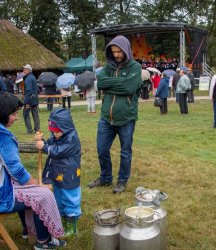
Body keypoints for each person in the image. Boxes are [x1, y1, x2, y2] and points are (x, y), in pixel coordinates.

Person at [0, 92, 66, 249]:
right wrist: (37, 185)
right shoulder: (2, 136)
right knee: (42, 194)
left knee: (26, 190)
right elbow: (16, 170)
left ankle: (27, 230)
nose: (16, 118)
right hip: (2, 196)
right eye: (14, 114)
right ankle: (43, 242)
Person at [88, 35, 143, 193]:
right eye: (114, 51)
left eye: (119, 51)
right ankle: (105, 178)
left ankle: (122, 181)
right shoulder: (107, 67)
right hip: (106, 118)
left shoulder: (135, 67)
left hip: (126, 118)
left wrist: (110, 85)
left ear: (126, 50)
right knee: (102, 149)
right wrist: (117, 84)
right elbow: (101, 84)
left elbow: (129, 88)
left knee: (125, 152)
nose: (117, 54)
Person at [35, 108, 81, 236]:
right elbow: (49, 145)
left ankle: (71, 227)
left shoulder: (72, 138)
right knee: (59, 200)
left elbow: (59, 151)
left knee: (70, 199)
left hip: (69, 177)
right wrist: (42, 140)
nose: (54, 134)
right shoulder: (57, 136)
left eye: (56, 131)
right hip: (58, 176)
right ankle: (62, 223)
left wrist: (44, 147)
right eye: (52, 131)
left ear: (65, 127)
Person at [22, 64, 40, 134]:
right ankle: (37, 129)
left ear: (29, 70)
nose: (23, 70)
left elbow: (29, 90)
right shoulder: (32, 77)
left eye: (25, 69)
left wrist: (26, 102)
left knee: (26, 114)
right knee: (35, 114)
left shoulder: (28, 78)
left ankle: (29, 130)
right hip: (34, 99)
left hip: (29, 99)